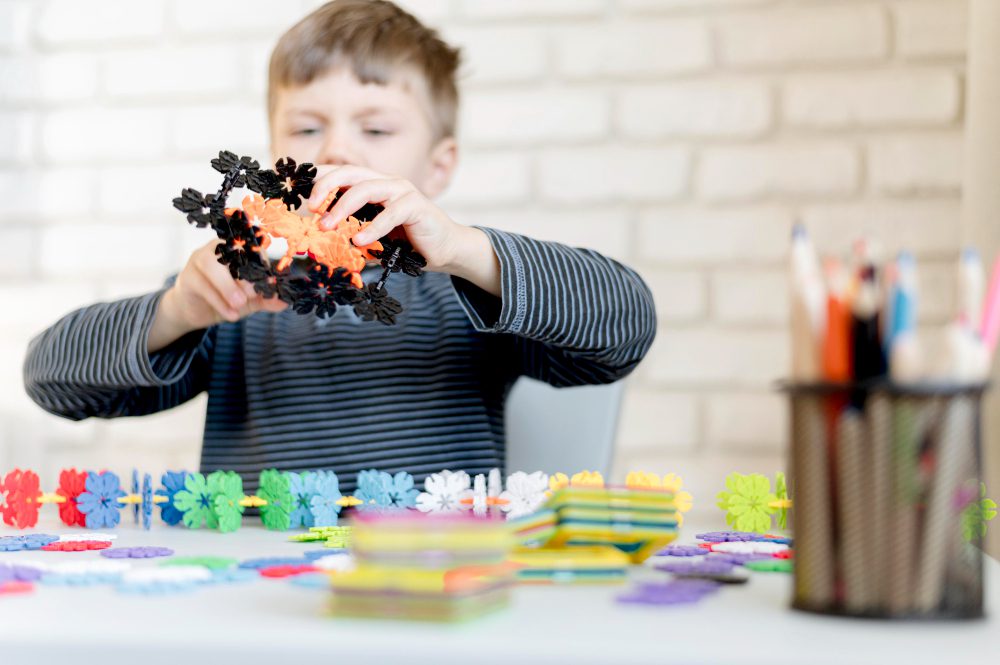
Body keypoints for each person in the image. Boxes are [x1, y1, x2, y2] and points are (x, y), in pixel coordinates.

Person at [23, 0, 656, 494]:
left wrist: (467, 251)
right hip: (261, 591)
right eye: (306, 128)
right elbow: (51, 382)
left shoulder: (469, 292)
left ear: (437, 167)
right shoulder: (234, 295)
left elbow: (627, 329)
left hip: (431, 580)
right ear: (277, 161)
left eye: (375, 128)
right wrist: (177, 312)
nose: (335, 150)